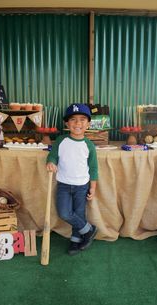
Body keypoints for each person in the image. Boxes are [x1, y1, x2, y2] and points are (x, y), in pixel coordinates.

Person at [46, 103, 98, 255]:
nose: (77, 123)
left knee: (79, 213)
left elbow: (94, 168)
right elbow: (53, 155)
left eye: (82, 119)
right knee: (65, 213)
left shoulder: (89, 145)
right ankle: (89, 230)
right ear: (67, 123)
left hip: (82, 186)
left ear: (88, 124)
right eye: (73, 120)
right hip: (63, 185)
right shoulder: (61, 140)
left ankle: (75, 241)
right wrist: (50, 162)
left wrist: (93, 187)